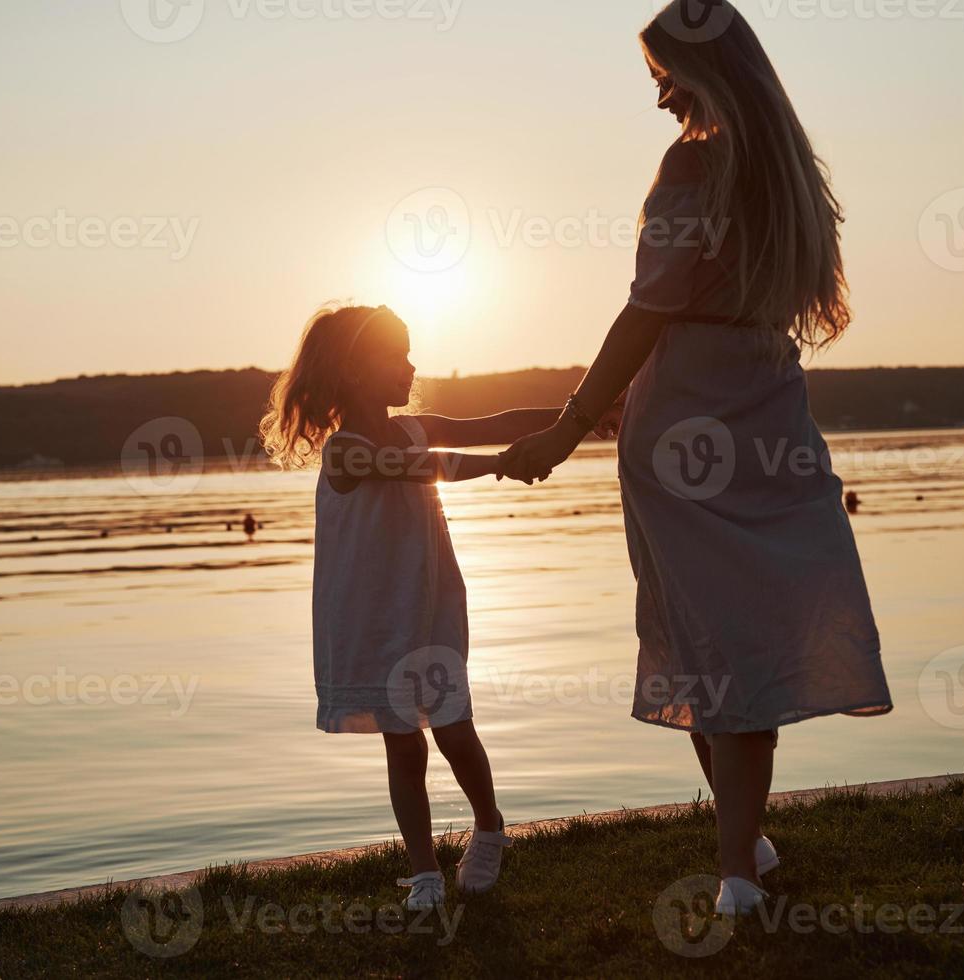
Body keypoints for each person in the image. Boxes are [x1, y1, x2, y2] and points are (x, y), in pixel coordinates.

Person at [502, 0, 893, 917]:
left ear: (707, 72)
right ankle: (741, 840)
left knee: (709, 637)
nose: (659, 100)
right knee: (728, 635)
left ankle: (736, 876)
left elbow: (647, 310)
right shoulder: (790, 173)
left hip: (688, 416)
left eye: (663, 78)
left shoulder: (694, 166)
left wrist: (566, 427)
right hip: (765, 403)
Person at [259, 303, 615, 910]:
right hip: (373, 615)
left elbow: (495, 419)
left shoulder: (419, 425)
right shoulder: (344, 451)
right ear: (352, 371)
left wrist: (581, 419)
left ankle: (489, 825)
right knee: (402, 740)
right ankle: (424, 873)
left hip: (429, 604)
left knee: (454, 725)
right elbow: (420, 468)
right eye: (395, 355)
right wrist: (504, 464)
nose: (410, 365)